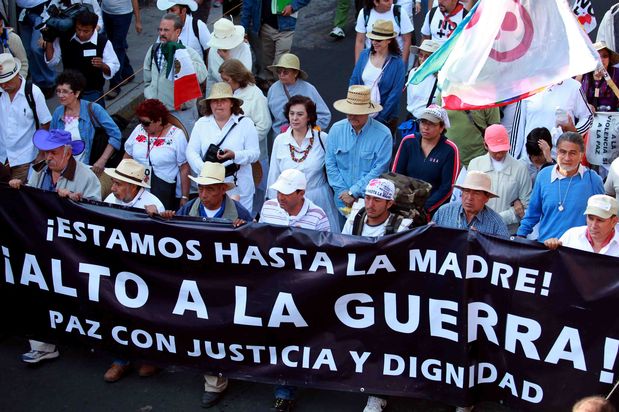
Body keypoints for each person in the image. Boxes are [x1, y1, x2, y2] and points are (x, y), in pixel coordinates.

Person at [9, 128, 100, 364]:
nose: (47, 157)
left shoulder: (86, 176)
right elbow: (32, 201)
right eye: (45, 152)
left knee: (79, 294)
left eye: (53, 152)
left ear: (67, 153)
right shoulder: (40, 172)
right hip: (42, 244)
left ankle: (90, 339)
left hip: (72, 248)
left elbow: (99, 215)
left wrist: (76, 202)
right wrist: (20, 189)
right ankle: (42, 345)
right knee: (38, 290)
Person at [267, 95, 340, 231]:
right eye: (291, 113)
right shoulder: (280, 140)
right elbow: (274, 173)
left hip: (318, 198)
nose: (294, 118)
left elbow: (334, 168)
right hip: (289, 201)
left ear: (309, 117)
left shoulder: (322, 138)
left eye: (300, 114)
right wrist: (274, 203)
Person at [186, 82, 260, 214]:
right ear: (210, 104)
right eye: (215, 101)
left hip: (239, 184)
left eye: (223, 100)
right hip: (209, 187)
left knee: (239, 224)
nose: (218, 104)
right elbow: (191, 152)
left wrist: (235, 155)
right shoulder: (201, 123)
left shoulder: (246, 124)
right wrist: (206, 170)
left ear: (232, 103)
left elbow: (255, 154)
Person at [516, 132, 604, 242]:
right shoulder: (543, 176)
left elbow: (601, 217)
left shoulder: (593, 180)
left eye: (572, 153)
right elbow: (532, 213)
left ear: (581, 155)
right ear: (556, 152)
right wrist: (520, 237)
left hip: (579, 251)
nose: (567, 158)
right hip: (547, 248)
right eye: (563, 152)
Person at [325, 85, 392, 221]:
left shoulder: (383, 134)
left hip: (370, 203)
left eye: (357, 112)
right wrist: (343, 192)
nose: (352, 115)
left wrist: (352, 192)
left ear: (368, 112)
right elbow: (330, 164)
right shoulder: (336, 130)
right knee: (342, 239)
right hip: (341, 201)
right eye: (349, 111)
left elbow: (380, 169)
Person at [143, 13, 207, 134]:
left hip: (181, 114)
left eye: (166, 30)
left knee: (184, 149)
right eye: (160, 29)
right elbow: (147, 79)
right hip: (156, 114)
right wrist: (149, 97)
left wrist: (182, 56)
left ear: (178, 32)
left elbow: (202, 75)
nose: (162, 33)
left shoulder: (188, 52)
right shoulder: (153, 50)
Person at [50, 70, 122, 177]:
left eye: (65, 91)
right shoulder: (58, 112)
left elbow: (116, 135)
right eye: (58, 91)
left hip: (88, 170)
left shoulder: (94, 109)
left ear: (77, 93)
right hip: (64, 170)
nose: (60, 95)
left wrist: (102, 160)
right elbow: (52, 140)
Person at [124, 98, 190, 209]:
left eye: (146, 123)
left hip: (164, 191)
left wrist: (184, 196)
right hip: (137, 187)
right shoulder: (139, 129)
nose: (143, 126)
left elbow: (184, 167)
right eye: (140, 121)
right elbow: (127, 156)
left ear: (159, 120)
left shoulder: (177, 135)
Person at [393, 105, 459, 216]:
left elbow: (447, 188)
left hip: (433, 211)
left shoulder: (450, 149)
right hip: (403, 206)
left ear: (442, 127)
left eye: (431, 124)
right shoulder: (408, 142)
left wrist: (425, 209)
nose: (425, 127)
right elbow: (396, 176)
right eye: (423, 122)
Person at [44, 10, 120, 106]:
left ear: (94, 28)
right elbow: (52, 62)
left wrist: (103, 65)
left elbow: (115, 65)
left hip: (93, 91)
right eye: (78, 29)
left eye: (86, 31)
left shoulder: (102, 42)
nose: (81, 34)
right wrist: (49, 41)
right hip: (70, 92)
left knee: (94, 119)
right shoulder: (65, 38)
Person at [468, 124, 531, 234]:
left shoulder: (520, 168)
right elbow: (468, 198)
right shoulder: (475, 164)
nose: (499, 154)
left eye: (503, 150)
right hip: (478, 230)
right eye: (495, 150)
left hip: (508, 232)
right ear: (485, 145)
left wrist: (502, 218)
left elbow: (526, 206)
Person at [510, 79, 593, 160]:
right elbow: (518, 127)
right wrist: (513, 158)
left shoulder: (573, 86)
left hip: (559, 159)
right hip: (530, 158)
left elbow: (588, 117)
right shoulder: (526, 86)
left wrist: (574, 132)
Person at [0, 53, 52, 182]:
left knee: (18, 195)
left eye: (7, 82)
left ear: (17, 75)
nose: (3, 86)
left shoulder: (33, 92)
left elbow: (45, 123)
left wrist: (41, 152)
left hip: (25, 157)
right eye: (1, 83)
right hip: (2, 156)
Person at [349, 19, 405, 133]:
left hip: (386, 118)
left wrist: (380, 118)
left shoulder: (398, 63)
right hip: (360, 113)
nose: (374, 42)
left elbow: (395, 94)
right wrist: (353, 108)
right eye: (372, 38)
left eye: (379, 39)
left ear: (389, 40)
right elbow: (354, 81)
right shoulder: (364, 54)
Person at [240, 0, 311, 82]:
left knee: (280, 62)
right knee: (266, 61)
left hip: (286, 29)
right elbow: (247, 5)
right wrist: (243, 30)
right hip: (265, 27)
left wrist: (292, 6)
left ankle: (280, 85)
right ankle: (270, 84)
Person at [267, 53, 331, 137]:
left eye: (285, 72)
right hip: (280, 137)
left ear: (295, 73)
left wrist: (310, 131)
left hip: (304, 138)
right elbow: (268, 115)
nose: (281, 75)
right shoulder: (273, 89)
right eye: (279, 71)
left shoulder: (309, 89)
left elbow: (325, 115)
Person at [433, 170, 510, 237]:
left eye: (476, 193)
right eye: (466, 191)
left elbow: (504, 251)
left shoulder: (497, 224)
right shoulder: (444, 212)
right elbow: (430, 239)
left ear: (487, 198)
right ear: (461, 193)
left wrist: (482, 240)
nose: (469, 198)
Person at [544, 194, 619, 257]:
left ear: (614, 221)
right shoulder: (571, 236)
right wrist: (550, 247)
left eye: (600, 220)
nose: (593, 225)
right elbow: (553, 263)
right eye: (590, 218)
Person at [261, 168, 331, 231]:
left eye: (287, 193)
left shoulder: (318, 216)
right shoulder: (268, 206)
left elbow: (325, 244)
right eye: (279, 192)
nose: (280, 198)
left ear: (301, 193)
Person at [101, 0, 142, 100]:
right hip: (106, 11)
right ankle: (127, 72)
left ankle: (115, 85)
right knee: (114, 45)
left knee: (117, 48)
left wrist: (138, 21)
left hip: (122, 14)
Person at [342, 178, 413, 236]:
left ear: (389, 204)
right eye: (367, 198)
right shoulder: (353, 220)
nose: (370, 205)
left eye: (377, 200)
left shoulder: (401, 229)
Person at [354, 0, 414, 67]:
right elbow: (360, 41)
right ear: (376, 2)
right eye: (386, 0)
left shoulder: (399, 12)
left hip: (395, 62)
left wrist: (402, 64)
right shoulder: (364, 13)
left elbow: (407, 40)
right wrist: (358, 67)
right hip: (372, 62)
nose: (390, 2)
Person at [16, 0, 56, 97]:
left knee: (37, 47)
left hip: (41, 8)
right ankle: (38, 81)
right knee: (27, 50)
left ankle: (50, 81)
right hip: (21, 9)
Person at [205, 18, 251, 97]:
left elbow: (245, 78)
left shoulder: (244, 49)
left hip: (241, 95)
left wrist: (228, 60)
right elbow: (210, 77)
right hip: (218, 95)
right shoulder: (213, 49)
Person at [580, 42, 619, 112]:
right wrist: (585, 106)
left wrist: (608, 79)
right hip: (586, 117)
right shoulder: (582, 73)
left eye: (605, 56)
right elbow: (572, 97)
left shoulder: (616, 73)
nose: (601, 59)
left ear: (609, 58)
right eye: (596, 56)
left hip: (610, 118)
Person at [406, 39, 439, 119]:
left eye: (427, 56)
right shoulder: (413, 73)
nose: (423, 59)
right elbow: (410, 101)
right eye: (421, 55)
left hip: (430, 121)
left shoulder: (440, 78)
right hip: (412, 120)